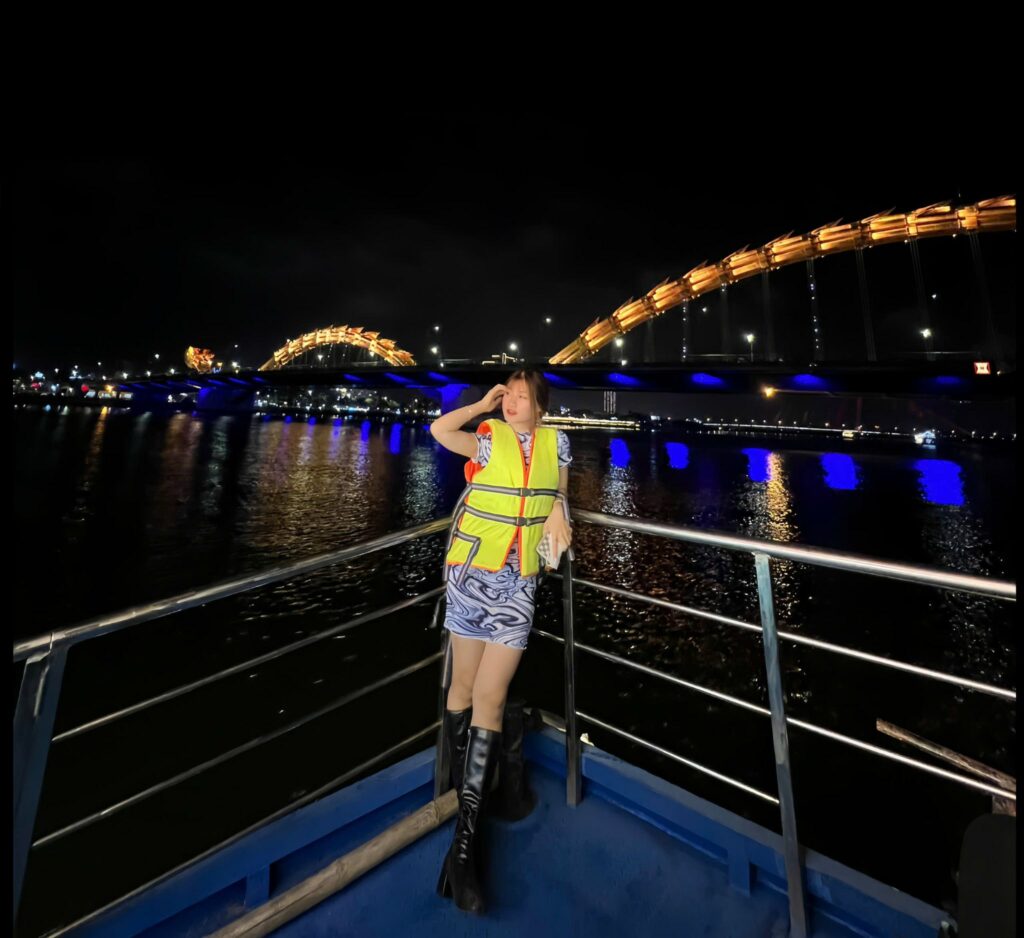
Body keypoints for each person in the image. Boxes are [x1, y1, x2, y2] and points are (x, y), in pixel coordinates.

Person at [428, 368, 573, 915]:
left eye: (520, 397)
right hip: (469, 578)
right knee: (462, 690)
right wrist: (479, 405)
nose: (511, 403)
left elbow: (557, 489)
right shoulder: (488, 440)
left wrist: (559, 508)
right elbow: (442, 432)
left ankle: (464, 847)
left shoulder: (558, 443)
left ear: (539, 405)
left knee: (489, 696)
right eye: (506, 395)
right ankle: (460, 807)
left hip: (518, 587)